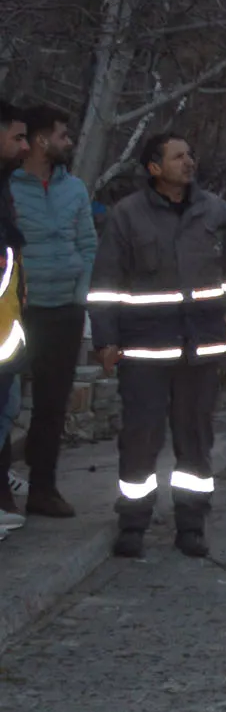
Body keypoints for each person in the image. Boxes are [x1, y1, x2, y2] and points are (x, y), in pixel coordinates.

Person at [87, 133, 226, 560]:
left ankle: (191, 525)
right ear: (154, 167)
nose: (189, 162)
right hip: (146, 351)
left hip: (200, 349)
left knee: (195, 440)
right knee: (139, 439)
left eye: (191, 154)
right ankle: (132, 524)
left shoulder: (218, 213)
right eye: (178, 156)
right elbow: (105, 286)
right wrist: (105, 340)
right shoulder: (126, 217)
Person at [9, 102, 95, 520]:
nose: (69, 142)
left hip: (65, 310)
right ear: (41, 140)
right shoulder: (9, 186)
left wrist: (80, 293)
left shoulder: (74, 188)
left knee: (52, 403)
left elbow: (88, 244)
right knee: (6, 400)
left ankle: (44, 488)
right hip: (19, 313)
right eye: (62, 135)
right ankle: (3, 491)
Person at [0, 102, 26, 534]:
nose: (25, 146)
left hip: (7, 333)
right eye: (18, 137)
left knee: (9, 408)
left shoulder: (5, 186)